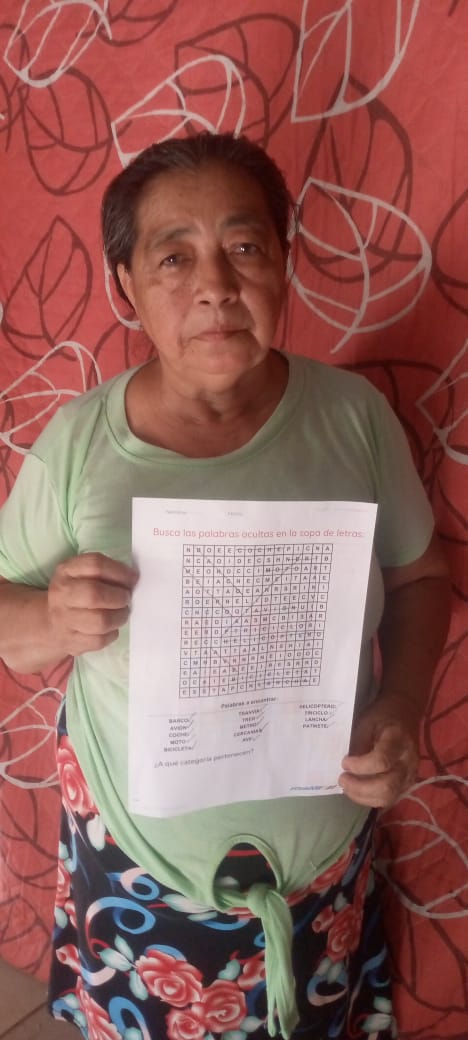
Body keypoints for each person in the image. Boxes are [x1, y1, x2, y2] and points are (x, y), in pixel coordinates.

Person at [0, 132, 450, 1040]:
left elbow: (422, 576)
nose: (215, 285)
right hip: (138, 872)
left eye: (244, 246)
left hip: (325, 863)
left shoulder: (353, 418)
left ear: (284, 262)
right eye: (174, 257)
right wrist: (53, 617)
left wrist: (402, 703)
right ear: (126, 285)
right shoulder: (81, 446)